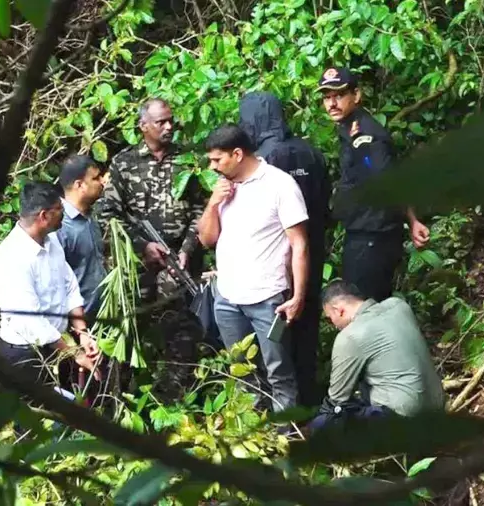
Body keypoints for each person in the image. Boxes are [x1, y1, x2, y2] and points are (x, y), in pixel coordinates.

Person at [95, 98, 206, 401]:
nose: (169, 127)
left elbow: (202, 209)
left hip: (179, 263)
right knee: (129, 330)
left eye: (171, 121)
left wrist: (187, 248)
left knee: (182, 332)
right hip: (139, 266)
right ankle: (117, 398)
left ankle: (171, 400)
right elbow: (107, 215)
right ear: (144, 126)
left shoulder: (187, 160)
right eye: (161, 122)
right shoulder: (124, 163)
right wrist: (143, 245)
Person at [197, 124, 308, 413]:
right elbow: (207, 239)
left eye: (217, 160)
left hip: (268, 298)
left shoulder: (280, 184)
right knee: (241, 370)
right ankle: (252, 431)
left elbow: (300, 245)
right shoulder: (223, 188)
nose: (213, 166)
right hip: (227, 297)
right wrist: (213, 203)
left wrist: (297, 296)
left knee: (278, 370)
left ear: (237, 154)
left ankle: (285, 433)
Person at [239, 91, 332, 407]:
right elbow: (325, 204)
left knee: (275, 336)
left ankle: (279, 408)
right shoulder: (311, 153)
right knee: (305, 324)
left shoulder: (261, 164)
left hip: (276, 263)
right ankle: (307, 399)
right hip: (312, 254)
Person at [319, 67, 430, 302]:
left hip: (372, 237)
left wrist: (410, 220)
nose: (331, 103)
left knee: (363, 306)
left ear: (356, 96)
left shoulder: (366, 137)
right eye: (326, 97)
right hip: (365, 233)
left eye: (338, 95)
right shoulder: (349, 129)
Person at [0, 181, 102, 384]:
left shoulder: (52, 242)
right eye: (59, 209)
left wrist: (82, 333)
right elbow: (32, 321)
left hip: (58, 345)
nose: (64, 213)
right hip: (26, 354)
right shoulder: (13, 257)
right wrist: (75, 353)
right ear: (44, 216)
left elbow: (69, 285)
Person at [307, 280, 444, 432]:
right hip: (437, 408)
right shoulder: (398, 306)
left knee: (322, 424)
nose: (333, 324)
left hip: (403, 418)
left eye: (329, 317)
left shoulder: (350, 336)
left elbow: (337, 400)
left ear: (339, 310)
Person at [56, 155, 108, 323]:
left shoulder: (91, 216)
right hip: (79, 325)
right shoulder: (59, 226)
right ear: (80, 185)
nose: (102, 182)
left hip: (103, 316)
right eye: (95, 178)